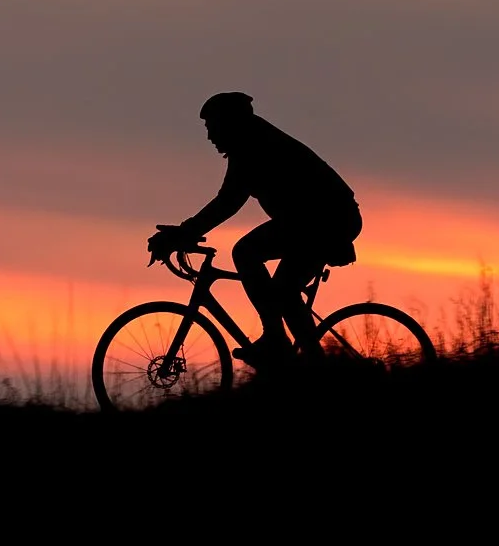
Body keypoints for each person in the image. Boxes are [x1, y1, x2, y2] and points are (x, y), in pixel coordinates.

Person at [146, 92, 362, 367]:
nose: (210, 137)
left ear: (229, 124)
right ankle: (315, 367)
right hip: (315, 221)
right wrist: (184, 232)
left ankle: (276, 339)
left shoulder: (254, 147)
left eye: (212, 128)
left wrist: (183, 234)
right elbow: (228, 201)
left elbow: (227, 202)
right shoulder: (251, 143)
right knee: (284, 294)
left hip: (325, 221)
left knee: (247, 253)